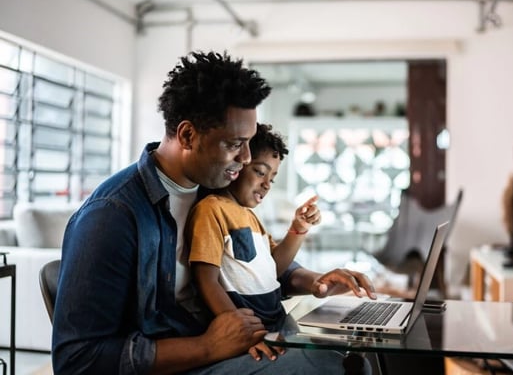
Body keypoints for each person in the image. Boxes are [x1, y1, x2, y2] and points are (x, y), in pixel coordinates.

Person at [52, 51, 377, 374]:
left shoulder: (217, 189)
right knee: (329, 368)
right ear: (188, 136)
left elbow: (253, 263)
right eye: (235, 144)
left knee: (361, 353)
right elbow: (78, 360)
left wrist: (314, 280)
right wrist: (207, 346)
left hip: (229, 344)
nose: (248, 158)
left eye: (249, 142)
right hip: (188, 359)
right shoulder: (112, 216)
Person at [185, 123, 320, 361]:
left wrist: (298, 230)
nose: (267, 184)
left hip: (278, 324)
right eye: (260, 171)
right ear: (236, 167)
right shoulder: (211, 209)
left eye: (272, 178)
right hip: (252, 335)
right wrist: (242, 333)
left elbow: (273, 269)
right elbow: (206, 280)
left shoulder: (250, 217)